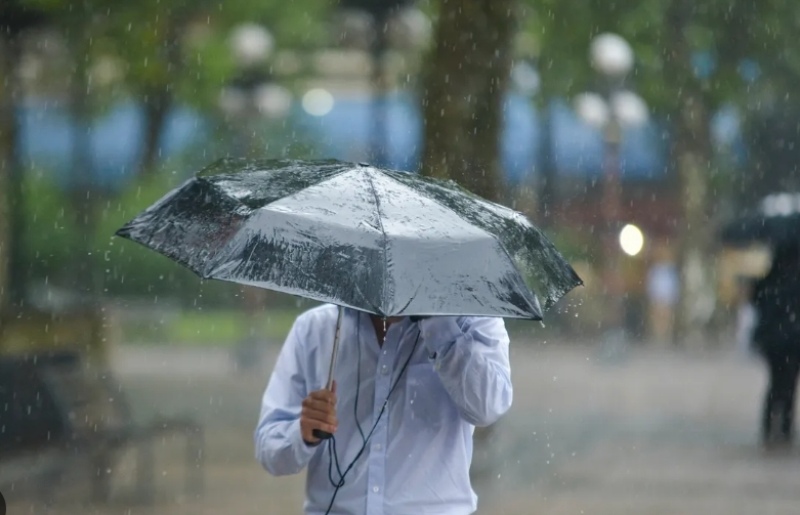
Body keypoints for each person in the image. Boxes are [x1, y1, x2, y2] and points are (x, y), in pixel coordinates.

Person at [254, 304, 513, 514]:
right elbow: (270, 450)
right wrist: (302, 432)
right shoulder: (314, 329)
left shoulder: (473, 321)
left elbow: (488, 407)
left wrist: (438, 324)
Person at [750, 242, 800, 446]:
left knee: (776, 381)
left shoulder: (768, 280)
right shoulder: (794, 281)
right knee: (788, 382)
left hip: (773, 341)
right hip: (793, 340)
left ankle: (770, 426)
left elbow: (756, 303)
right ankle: (785, 427)